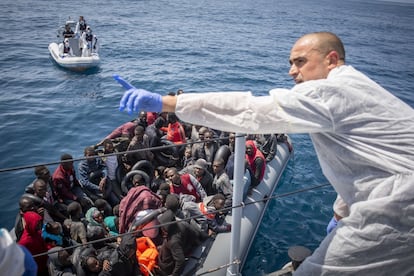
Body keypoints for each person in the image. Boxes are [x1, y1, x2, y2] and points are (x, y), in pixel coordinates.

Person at [117, 31, 414, 275]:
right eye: (291, 62)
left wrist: (168, 102)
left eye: (300, 61)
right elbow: (367, 161)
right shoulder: (360, 87)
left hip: (399, 208)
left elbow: (250, 110)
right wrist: (341, 211)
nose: (291, 71)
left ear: (331, 60)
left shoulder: (329, 91)